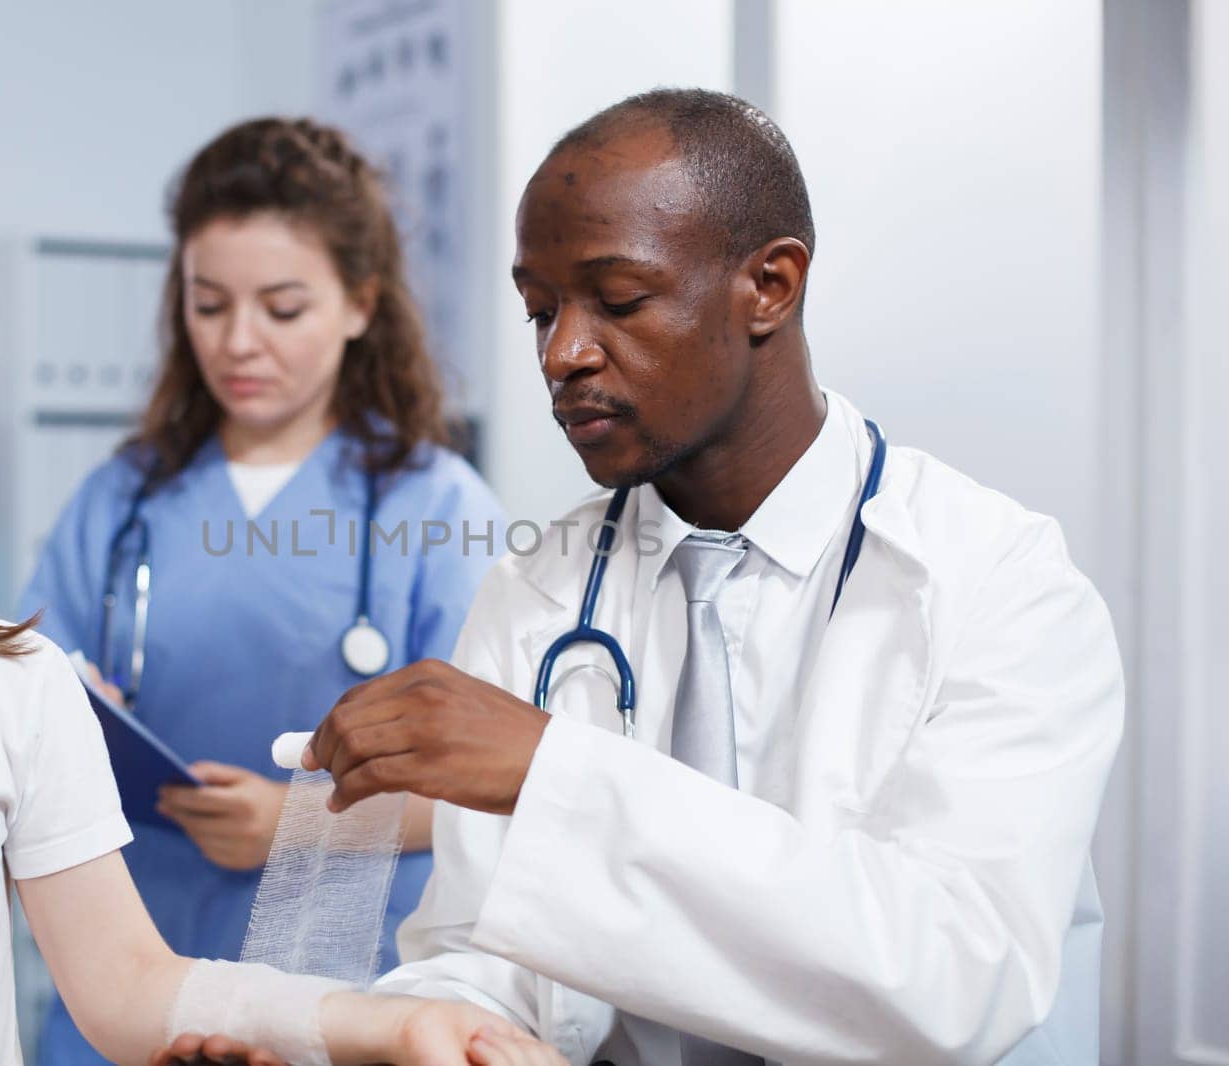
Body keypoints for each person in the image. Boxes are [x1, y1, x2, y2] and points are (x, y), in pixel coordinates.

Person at [0, 174, 557, 1066]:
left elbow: (129, 982)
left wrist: (389, 1019)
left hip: (320, 961)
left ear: (358, 305)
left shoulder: (7, 687)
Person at [300, 89, 1125, 1064]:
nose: (562, 352)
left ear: (769, 286)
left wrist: (554, 772)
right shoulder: (539, 588)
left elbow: (958, 980)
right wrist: (405, 1026)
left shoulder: (997, 581)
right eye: (539, 310)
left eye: (616, 301)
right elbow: (476, 953)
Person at [19, 116, 506, 1066]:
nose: (239, 342)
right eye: (209, 305)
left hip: (342, 995)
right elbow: (27, 700)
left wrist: (301, 828)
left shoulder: (438, 507)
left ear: (361, 303)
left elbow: (497, 792)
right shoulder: (122, 499)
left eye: (282, 309)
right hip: (127, 994)